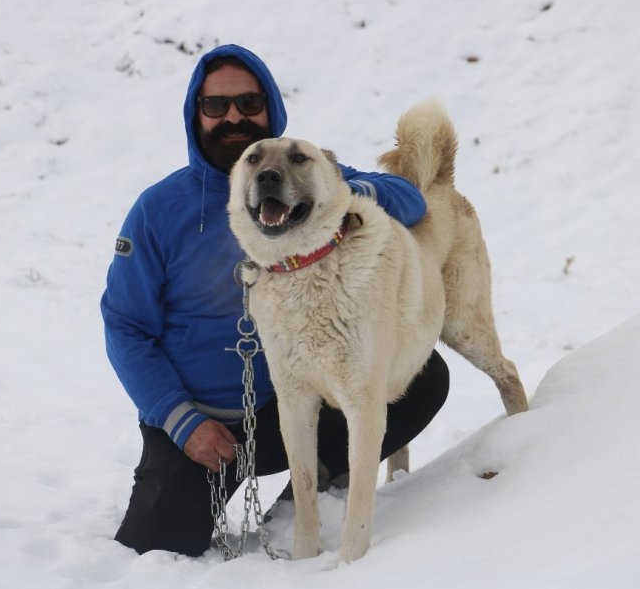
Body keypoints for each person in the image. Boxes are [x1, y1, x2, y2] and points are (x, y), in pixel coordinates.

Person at [101, 43, 450, 557]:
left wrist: (345, 192)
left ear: (271, 108)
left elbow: (410, 200)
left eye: (248, 102)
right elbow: (125, 326)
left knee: (424, 378)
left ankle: (309, 494)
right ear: (196, 115)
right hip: (200, 428)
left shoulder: (306, 175)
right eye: (216, 106)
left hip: (281, 406)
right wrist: (180, 420)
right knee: (156, 545)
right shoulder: (159, 210)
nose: (234, 117)